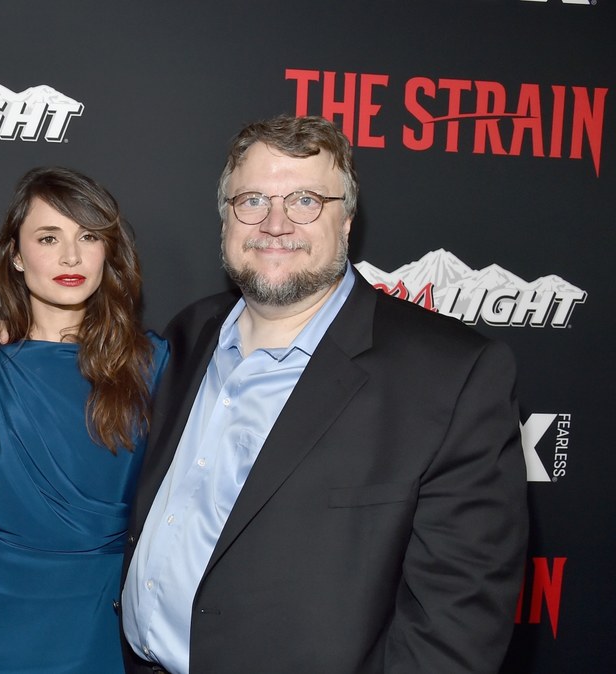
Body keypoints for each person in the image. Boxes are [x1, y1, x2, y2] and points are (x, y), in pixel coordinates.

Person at [119, 115, 527, 673]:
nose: (276, 222)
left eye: (306, 200)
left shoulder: (451, 377)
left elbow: (457, 623)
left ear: (348, 219)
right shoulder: (190, 335)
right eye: (253, 200)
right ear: (225, 220)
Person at [0, 167, 168, 673]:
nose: (71, 257)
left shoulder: (156, 368)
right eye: (48, 237)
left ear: (109, 251)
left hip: (101, 620)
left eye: (89, 236)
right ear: (15, 254)